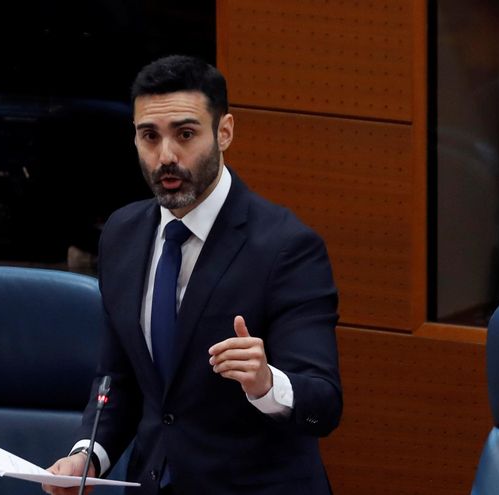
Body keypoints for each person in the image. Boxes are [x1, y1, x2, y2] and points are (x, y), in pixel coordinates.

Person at [43, 55, 342, 495]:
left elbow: (324, 403)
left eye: (185, 134)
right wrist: (88, 455)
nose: (166, 156)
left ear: (224, 132)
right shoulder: (122, 235)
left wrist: (266, 383)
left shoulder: (286, 247)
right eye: (150, 136)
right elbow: (119, 378)